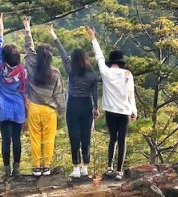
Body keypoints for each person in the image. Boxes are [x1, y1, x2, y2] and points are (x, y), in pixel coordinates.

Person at [86, 26, 137, 180]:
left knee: (112, 138)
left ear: (111, 61)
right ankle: (119, 171)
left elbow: (99, 57)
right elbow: (130, 95)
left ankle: (109, 167)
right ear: (121, 62)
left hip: (110, 112)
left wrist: (93, 38)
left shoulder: (106, 72)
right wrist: (134, 110)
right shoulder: (128, 74)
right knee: (122, 141)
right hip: (124, 112)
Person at [22, 16, 66, 177]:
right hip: (49, 110)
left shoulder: (31, 66)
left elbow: (29, 49)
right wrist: (61, 110)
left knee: (34, 138)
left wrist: (27, 29)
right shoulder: (55, 72)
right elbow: (59, 93)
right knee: (48, 139)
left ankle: (36, 167)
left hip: (33, 107)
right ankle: (46, 167)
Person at [52, 26, 99, 180]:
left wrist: (54, 36)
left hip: (72, 106)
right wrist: (96, 108)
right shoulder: (92, 75)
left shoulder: (71, 71)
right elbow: (94, 94)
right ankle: (85, 167)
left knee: (74, 137)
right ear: (86, 59)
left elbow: (63, 55)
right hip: (87, 106)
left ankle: (76, 168)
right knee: (86, 137)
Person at [0, 13, 27, 179]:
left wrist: (0, 30)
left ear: (4, 58)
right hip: (18, 108)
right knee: (17, 139)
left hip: (2, 107)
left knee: (5, 140)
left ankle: (6, 171)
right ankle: (17, 169)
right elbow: (25, 90)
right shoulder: (22, 72)